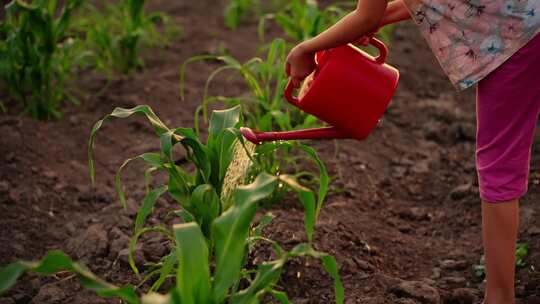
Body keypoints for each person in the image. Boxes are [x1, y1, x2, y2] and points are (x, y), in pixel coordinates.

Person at [285, 1, 540, 303]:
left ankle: (499, 297)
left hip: (516, 39)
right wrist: (384, 17)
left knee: (499, 164)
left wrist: (305, 49)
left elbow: (366, 15)